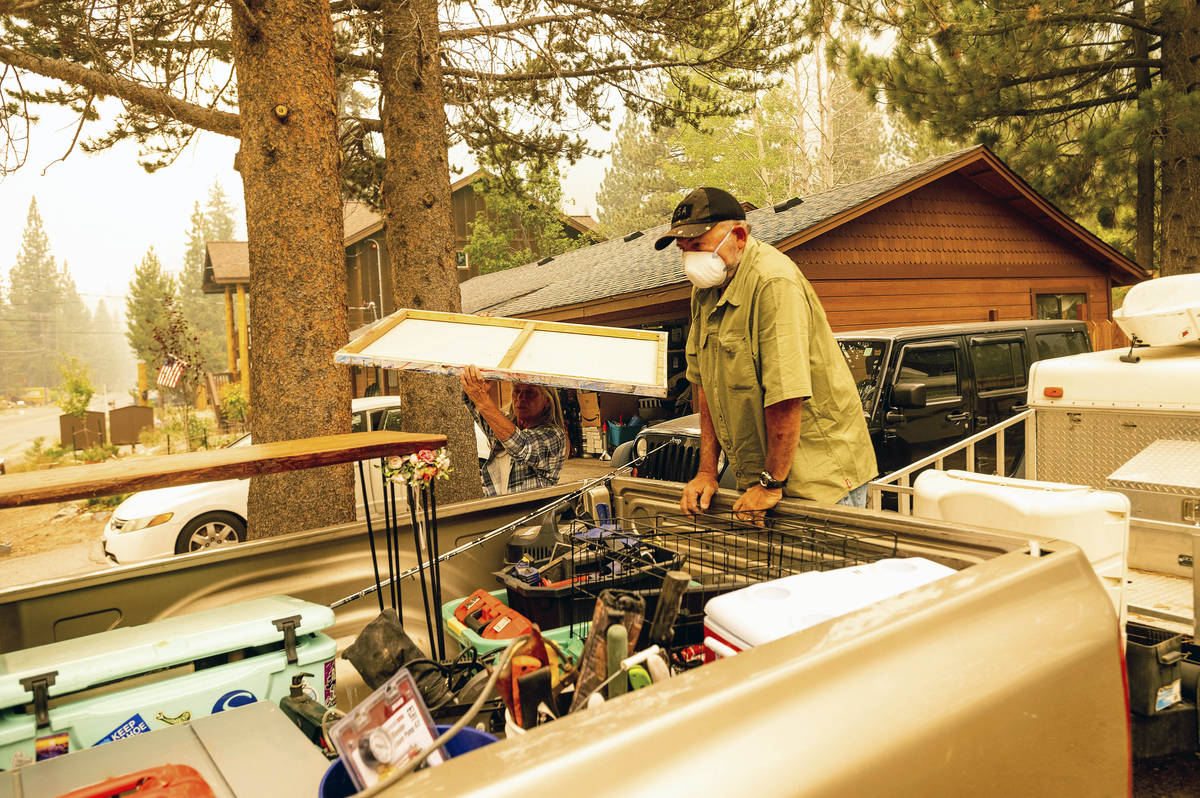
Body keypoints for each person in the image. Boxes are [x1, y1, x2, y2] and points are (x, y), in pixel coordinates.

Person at [654, 187, 877, 519]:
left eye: (698, 246)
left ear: (739, 236)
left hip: (819, 480)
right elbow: (704, 387)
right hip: (763, 481)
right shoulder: (705, 292)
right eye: (683, 250)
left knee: (819, 573)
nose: (691, 260)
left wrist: (772, 482)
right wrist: (706, 472)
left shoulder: (774, 282)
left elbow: (785, 394)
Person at [461, 365, 568, 496]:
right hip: (497, 510)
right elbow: (471, 402)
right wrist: (480, 378)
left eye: (530, 392)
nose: (521, 397)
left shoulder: (553, 435)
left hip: (531, 514)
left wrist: (483, 399)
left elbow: (521, 446)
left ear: (546, 400)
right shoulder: (503, 423)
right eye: (517, 390)